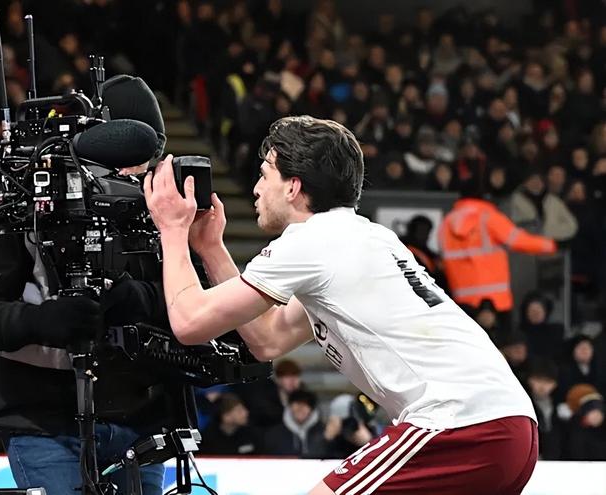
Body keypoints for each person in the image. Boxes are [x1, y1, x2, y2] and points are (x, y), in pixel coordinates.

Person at [145, 115, 539, 494]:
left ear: (293, 187)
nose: (256, 189)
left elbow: (190, 322)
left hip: (461, 422)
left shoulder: (310, 241)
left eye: (265, 175)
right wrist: (212, 249)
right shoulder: (363, 237)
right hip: (509, 425)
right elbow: (268, 338)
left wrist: (172, 230)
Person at [0, 77, 173, 495]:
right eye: (126, 157)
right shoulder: (28, 200)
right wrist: (42, 321)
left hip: (141, 420)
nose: (137, 172)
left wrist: (139, 298)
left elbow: (195, 301)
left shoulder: (161, 204)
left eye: (148, 158)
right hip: (45, 423)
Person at [439, 157, 557, 316]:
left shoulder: (447, 222)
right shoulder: (488, 217)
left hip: (461, 302)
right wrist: (553, 244)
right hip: (495, 302)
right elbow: (520, 241)